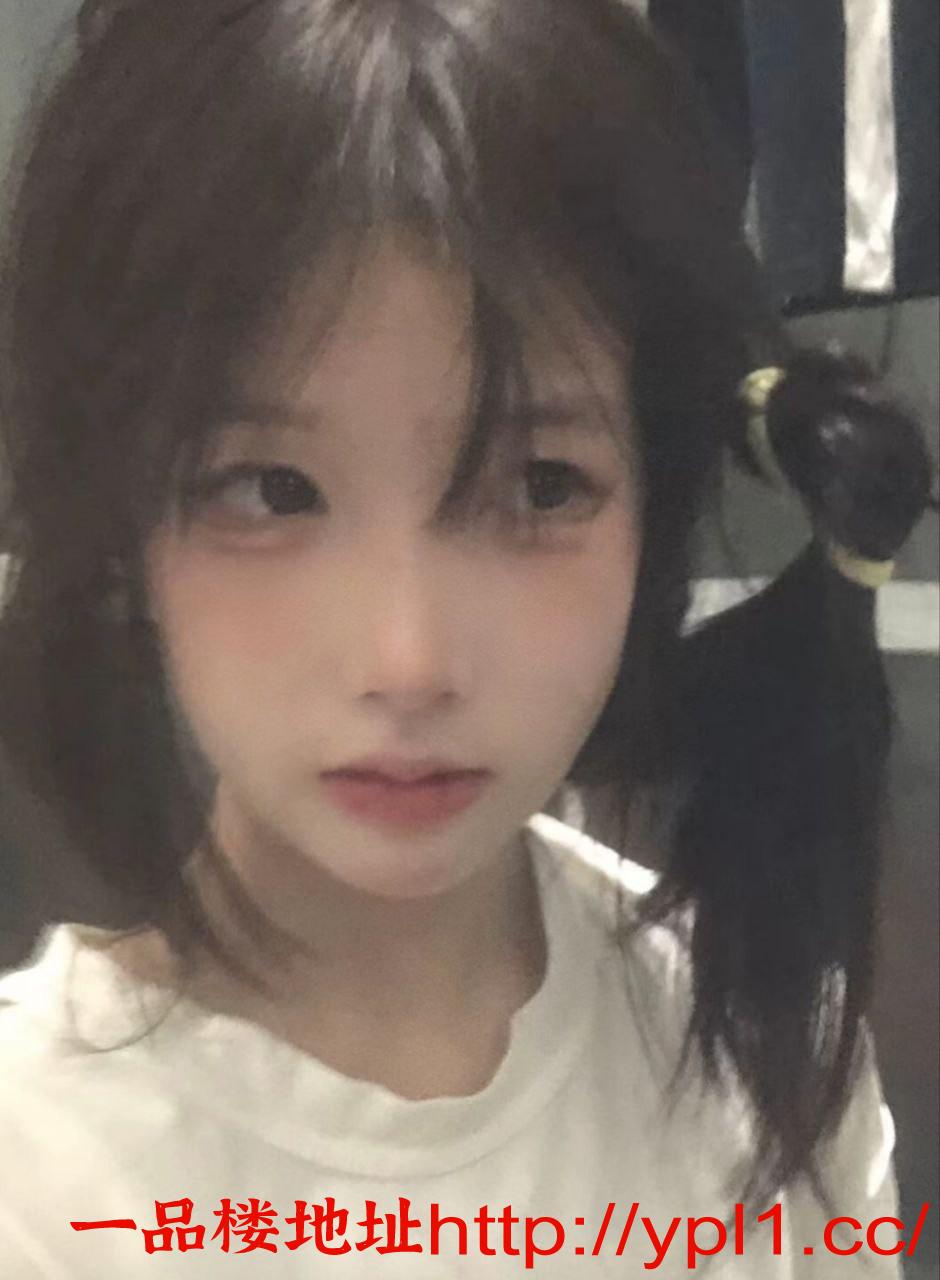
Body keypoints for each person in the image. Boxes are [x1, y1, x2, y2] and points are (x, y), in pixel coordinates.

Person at [0, 0, 934, 1275]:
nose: (410, 659)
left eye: (541, 485)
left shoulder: (765, 1067)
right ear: (126, 519)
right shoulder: (39, 1175)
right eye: (272, 490)